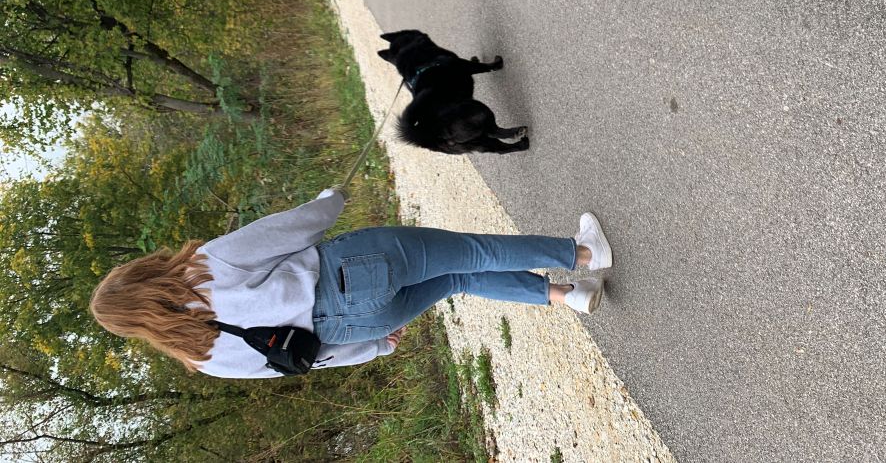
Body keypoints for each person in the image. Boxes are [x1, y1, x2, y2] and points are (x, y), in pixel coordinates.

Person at [89, 188, 611, 378]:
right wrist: (330, 199)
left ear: (141, 328)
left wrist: (376, 347)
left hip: (362, 325)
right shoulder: (202, 269)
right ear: (140, 276)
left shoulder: (205, 361)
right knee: (471, 250)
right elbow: (291, 228)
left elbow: (302, 360)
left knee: (459, 278)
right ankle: (583, 254)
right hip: (352, 272)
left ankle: (567, 295)